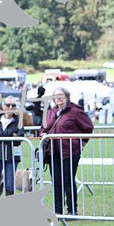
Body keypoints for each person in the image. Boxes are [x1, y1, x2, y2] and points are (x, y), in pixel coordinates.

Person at [40, 87, 94, 216]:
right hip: (53, 152)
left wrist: (81, 143)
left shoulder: (75, 111)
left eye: (61, 95)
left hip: (70, 151)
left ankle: (72, 210)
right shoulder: (51, 112)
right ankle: (58, 211)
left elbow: (88, 127)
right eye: (56, 95)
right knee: (56, 182)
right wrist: (43, 134)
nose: (58, 98)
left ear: (67, 97)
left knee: (68, 180)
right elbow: (44, 128)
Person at [0, 96, 25, 203]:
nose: (10, 107)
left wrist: (3, 137)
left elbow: (19, 139)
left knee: (9, 185)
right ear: (3, 107)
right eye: (8, 105)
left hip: (12, 157)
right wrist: (10, 136)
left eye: (13, 105)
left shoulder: (19, 120)